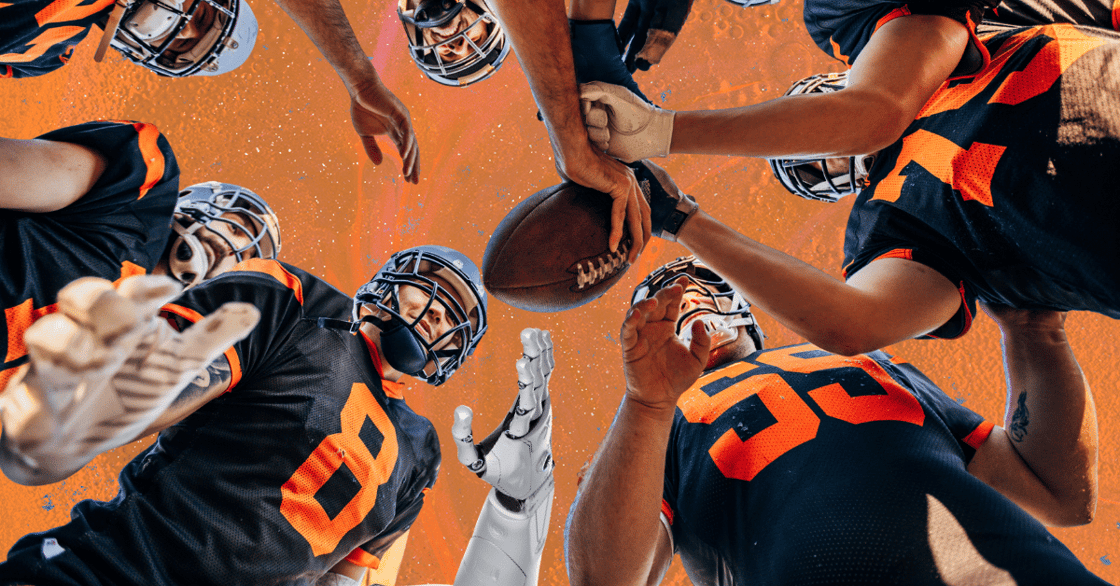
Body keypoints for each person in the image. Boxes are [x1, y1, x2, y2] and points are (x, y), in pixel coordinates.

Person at [0, 245, 555, 586]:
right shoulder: (300, 305)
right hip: (121, 569)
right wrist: (101, 406)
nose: (436, 314)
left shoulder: (419, 451)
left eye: (454, 315)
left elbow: (347, 579)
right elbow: (172, 382)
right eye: (429, 288)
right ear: (390, 280)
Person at [585, 21, 1120, 357]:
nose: (814, 157)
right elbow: (854, 321)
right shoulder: (891, 226)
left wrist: (662, 133)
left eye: (799, 135)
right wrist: (681, 218)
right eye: (808, 174)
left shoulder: (948, 30)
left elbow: (868, 112)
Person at [566, 256, 1105, 586]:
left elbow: (1058, 492)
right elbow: (603, 581)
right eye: (664, 304)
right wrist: (646, 406)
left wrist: (1035, 333)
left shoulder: (865, 355)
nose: (689, 303)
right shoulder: (646, 435)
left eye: (702, 283)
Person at [0, 120, 281, 404]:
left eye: (243, 259)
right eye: (235, 228)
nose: (231, 249)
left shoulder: (133, 361)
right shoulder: (138, 193)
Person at [0, 0, 427, 183]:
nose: (181, 27)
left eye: (179, 43)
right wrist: (361, 78)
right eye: (202, 17)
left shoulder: (46, 52)